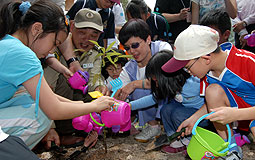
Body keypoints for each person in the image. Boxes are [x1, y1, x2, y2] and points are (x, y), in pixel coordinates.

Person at [0, 0, 114, 150]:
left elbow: (43, 95)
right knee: (41, 116)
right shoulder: (24, 55)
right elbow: (52, 108)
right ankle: (10, 153)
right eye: (55, 42)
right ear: (36, 29)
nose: (51, 51)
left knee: (26, 97)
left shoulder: (8, 43)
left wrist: (85, 105)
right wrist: (93, 106)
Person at [161, 25, 247, 159]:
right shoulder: (207, 76)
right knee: (212, 92)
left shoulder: (247, 63)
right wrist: (193, 119)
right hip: (242, 114)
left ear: (206, 58)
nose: (188, 73)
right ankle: (230, 148)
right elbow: (210, 105)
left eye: (187, 68)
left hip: (249, 114)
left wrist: (236, 114)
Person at [44, 8, 111, 147]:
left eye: (94, 35)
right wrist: (49, 128)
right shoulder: (55, 49)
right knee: (67, 81)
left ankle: (88, 129)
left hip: (74, 104)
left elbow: (94, 79)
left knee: (99, 96)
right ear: (72, 27)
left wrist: (100, 86)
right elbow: (44, 92)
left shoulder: (95, 53)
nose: (87, 39)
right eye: (82, 32)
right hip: (53, 105)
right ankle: (60, 133)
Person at [129, 50, 209, 154]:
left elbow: (212, 103)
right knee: (166, 109)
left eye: (157, 81)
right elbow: (153, 98)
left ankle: (191, 142)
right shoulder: (172, 86)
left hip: (202, 119)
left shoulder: (193, 83)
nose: (156, 85)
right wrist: (128, 106)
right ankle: (175, 139)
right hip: (185, 114)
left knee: (177, 114)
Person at [117, 19, 172, 142]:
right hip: (154, 99)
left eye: (135, 45)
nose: (132, 51)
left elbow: (166, 78)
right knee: (131, 89)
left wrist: (135, 84)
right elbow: (119, 87)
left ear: (148, 39)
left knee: (138, 86)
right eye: (127, 48)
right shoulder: (130, 67)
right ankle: (152, 125)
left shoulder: (162, 49)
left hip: (173, 100)